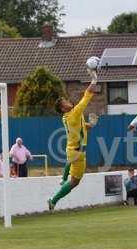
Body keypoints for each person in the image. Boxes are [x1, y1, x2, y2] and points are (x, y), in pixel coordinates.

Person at [47, 69, 98, 210]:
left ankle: (60, 184)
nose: (69, 102)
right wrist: (94, 80)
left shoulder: (67, 117)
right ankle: (53, 199)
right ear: (63, 108)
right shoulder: (74, 112)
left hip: (73, 150)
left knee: (72, 177)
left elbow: (81, 127)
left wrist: (90, 125)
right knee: (75, 182)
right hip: (78, 151)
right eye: (65, 102)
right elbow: (87, 96)